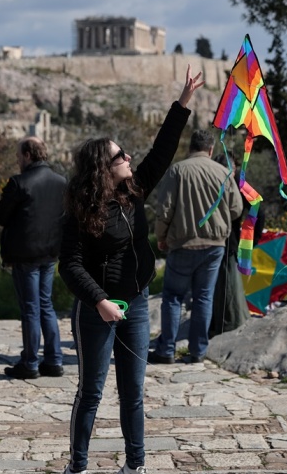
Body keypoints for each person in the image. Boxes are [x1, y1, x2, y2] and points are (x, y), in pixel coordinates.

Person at [58, 65, 204, 474]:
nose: (128, 158)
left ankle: (135, 465)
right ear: (102, 168)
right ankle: (78, 466)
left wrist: (182, 104)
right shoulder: (81, 210)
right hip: (97, 310)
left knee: (133, 393)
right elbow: (69, 265)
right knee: (91, 393)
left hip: (136, 304)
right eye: (120, 156)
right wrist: (100, 301)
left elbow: (162, 151)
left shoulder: (133, 192)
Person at [149, 130, 243, 364]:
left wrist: (161, 237)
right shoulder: (223, 172)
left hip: (183, 243)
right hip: (214, 246)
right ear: (211, 149)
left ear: (190, 147)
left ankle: (166, 350)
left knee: (173, 297)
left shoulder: (177, 171)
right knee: (204, 297)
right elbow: (236, 209)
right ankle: (198, 350)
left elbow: (164, 210)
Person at [0, 136, 67, 380]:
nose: (17, 160)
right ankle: (54, 360)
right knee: (46, 305)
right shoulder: (61, 182)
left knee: (30, 309)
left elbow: (1, 216)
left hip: (25, 254)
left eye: (18, 156)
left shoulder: (18, 182)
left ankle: (30, 362)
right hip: (50, 252)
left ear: (27, 155)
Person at [209, 152, 264, 338]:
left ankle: (224, 327)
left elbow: (258, 208)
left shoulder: (235, 184)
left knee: (224, 288)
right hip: (227, 243)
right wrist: (251, 240)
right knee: (225, 288)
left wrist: (252, 239)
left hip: (222, 244)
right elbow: (258, 208)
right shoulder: (238, 183)